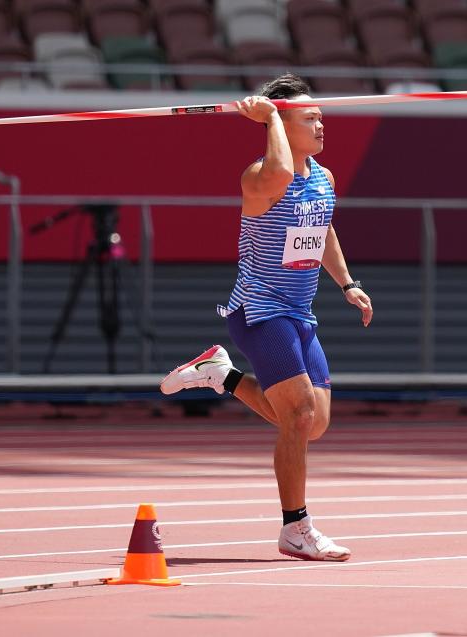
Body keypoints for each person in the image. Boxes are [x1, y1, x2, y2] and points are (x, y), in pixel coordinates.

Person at [160, 73, 373, 562]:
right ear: (281, 123)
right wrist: (271, 116)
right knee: (296, 415)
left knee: (313, 423)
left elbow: (322, 230)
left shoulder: (323, 177)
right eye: (309, 118)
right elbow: (280, 170)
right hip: (259, 309)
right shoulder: (259, 177)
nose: (321, 125)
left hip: (300, 312)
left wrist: (348, 283)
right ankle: (295, 527)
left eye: (321, 116)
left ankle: (222, 375)